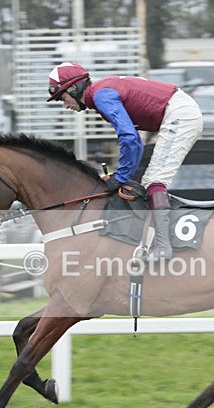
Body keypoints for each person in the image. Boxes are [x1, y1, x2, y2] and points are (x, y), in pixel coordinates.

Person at [47, 61, 203, 261]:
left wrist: (120, 177)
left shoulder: (101, 95)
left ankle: (163, 247)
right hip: (177, 112)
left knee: (155, 181)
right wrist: (121, 175)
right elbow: (133, 139)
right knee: (149, 182)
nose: (66, 106)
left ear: (74, 88)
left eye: (63, 98)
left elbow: (130, 137)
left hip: (181, 115)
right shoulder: (100, 93)